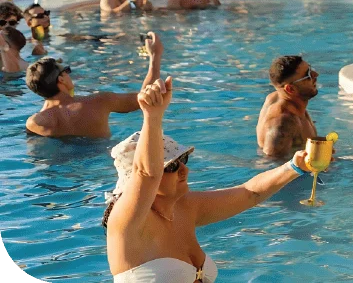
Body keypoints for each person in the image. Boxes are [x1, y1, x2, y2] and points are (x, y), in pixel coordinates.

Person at [104, 72, 319, 283]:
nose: (183, 171)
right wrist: (152, 116)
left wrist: (294, 166)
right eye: (170, 167)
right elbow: (147, 174)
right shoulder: (127, 221)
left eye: (183, 161)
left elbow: (249, 194)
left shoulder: (184, 208)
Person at [24, 33, 162, 138]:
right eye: (67, 71)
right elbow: (146, 97)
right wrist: (155, 56)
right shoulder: (99, 102)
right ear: (61, 79)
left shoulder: (34, 123)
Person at [257, 55, 319, 158]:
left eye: (310, 69)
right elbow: (269, 165)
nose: (315, 75)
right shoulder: (283, 124)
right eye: (308, 75)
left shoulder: (290, 101)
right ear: (290, 89)